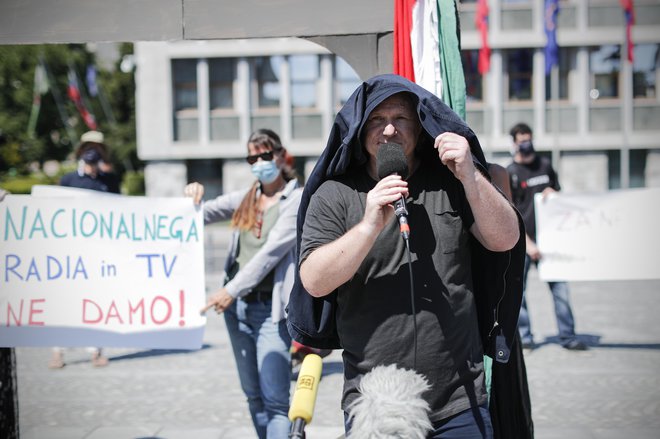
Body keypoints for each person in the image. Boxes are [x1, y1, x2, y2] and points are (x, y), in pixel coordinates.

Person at [290, 74, 526, 438]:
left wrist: (471, 177)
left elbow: (505, 239)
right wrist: (369, 225)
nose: (388, 131)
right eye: (376, 120)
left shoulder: (450, 181)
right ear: (358, 129)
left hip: (460, 399)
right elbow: (314, 281)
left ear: (420, 126)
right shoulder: (334, 193)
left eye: (400, 118)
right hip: (377, 404)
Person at [185, 129, 302, 439]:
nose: (260, 162)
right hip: (236, 312)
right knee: (253, 397)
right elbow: (199, 214)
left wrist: (230, 289)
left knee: (276, 402)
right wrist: (191, 195)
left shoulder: (296, 199)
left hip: (270, 313)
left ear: (280, 155)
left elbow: (270, 253)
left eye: (266, 155)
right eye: (253, 157)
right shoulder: (246, 198)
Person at [506, 122, 587, 351]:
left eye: (528, 138)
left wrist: (554, 194)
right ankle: (525, 336)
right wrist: (527, 243)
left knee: (561, 291)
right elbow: (510, 211)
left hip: (551, 241)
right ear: (514, 143)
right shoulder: (510, 172)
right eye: (521, 140)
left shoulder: (545, 166)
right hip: (523, 243)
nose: (526, 143)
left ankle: (568, 336)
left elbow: (559, 199)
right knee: (518, 293)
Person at [50, 130, 117, 368]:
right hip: (71, 253)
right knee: (66, 301)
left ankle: (96, 350)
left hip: (98, 252)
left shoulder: (109, 181)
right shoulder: (69, 180)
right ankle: (58, 351)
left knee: (97, 300)